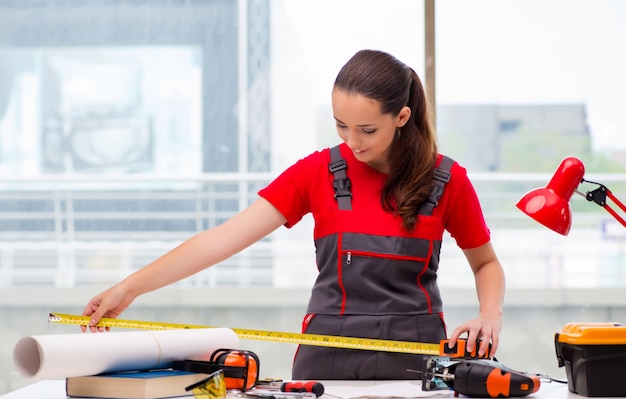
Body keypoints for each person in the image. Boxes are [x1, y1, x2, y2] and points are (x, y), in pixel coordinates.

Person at [82, 49, 505, 380]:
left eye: (367, 130)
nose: (352, 142)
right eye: (341, 125)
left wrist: (490, 315)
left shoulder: (447, 179)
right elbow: (221, 240)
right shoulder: (317, 172)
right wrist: (130, 287)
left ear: (402, 117)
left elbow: (485, 263)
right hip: (327, 366)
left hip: (417, 369)